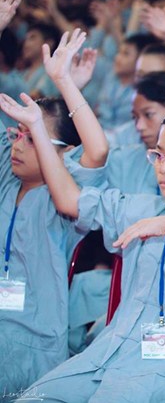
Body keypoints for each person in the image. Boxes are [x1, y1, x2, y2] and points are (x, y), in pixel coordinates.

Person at [17, 103, 165, 402]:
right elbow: (70, 200)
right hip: (108, 354)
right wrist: (37, 128)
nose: (163, 168)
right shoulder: (143, 209)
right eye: (159, 155)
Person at [0, 29, 108, 399]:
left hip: (35, 342)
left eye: (33, 138)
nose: (18, 146)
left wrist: (64, 82)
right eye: (18, 134)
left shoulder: (63, 195)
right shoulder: (7, 176)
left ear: (64, 152)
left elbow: (97, 151)